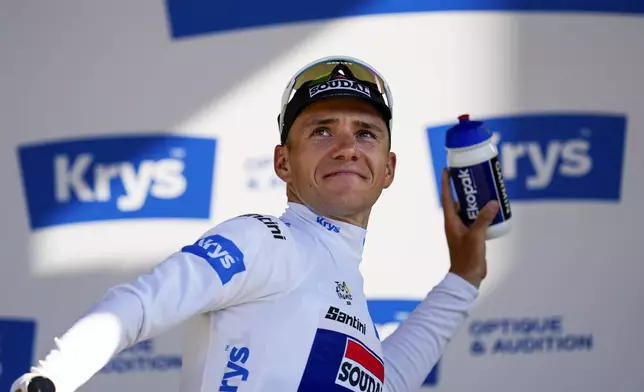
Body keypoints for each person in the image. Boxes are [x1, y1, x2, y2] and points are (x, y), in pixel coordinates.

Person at [12, 55, 499, 392]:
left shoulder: (344, 288)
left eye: (365, 132)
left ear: (388, 168)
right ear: (283, 163)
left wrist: (464, 277)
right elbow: (141, 304)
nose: (346, 146)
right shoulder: (266, 240)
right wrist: (51, 377)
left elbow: (386, 380)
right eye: (322, 130)